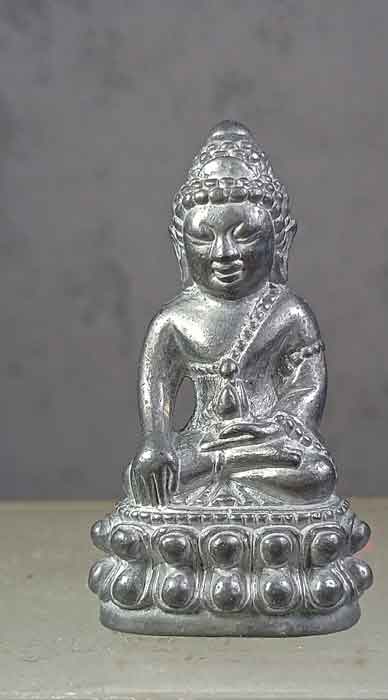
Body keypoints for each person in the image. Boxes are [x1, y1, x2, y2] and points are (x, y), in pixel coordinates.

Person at [124, 121, 336, 507]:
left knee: (316, 475)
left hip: (266, 442)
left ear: (280, 241)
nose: (223, 253)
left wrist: (276, 425)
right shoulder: (174, 321)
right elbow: (156, 389)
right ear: (180, 246)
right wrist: (156, 442)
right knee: (153, 482)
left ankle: (224, 468)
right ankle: (220, 467)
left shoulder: (289, 313)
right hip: (201, 443)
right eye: (203, 238)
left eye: (245, 235)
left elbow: (307, 384)